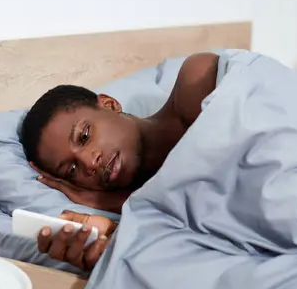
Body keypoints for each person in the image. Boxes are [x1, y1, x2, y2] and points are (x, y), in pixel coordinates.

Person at [20, 52, 221, 271]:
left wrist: (115, 202)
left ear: (110, 104)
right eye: (72, 169)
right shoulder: (148, 212)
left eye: (84, 136)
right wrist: (113, 219)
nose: (90, 163)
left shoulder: (196, 81)